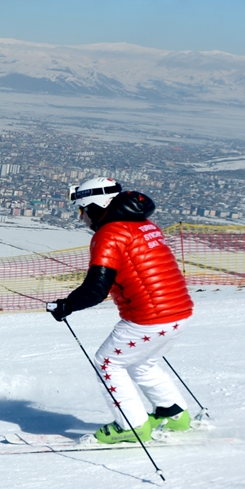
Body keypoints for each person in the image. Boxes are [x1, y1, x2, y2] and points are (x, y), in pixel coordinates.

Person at [47, 177, 195, 444]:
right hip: (179, 312)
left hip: (149, 318)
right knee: (143, 363)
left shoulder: (109, 234)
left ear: (95, 207)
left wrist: (66, 305)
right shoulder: (143, 224)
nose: (82, 219)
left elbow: (96, 289)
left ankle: (131, 426)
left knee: (108, 363)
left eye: (82, 211)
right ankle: (174, 415)